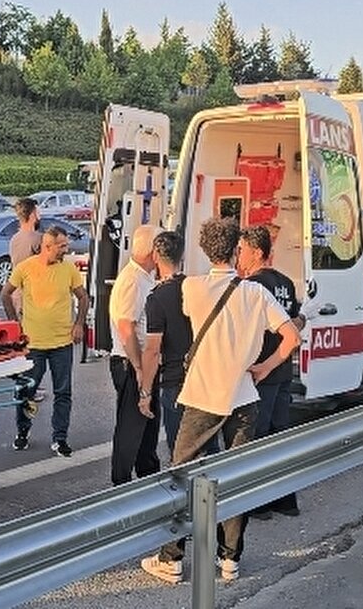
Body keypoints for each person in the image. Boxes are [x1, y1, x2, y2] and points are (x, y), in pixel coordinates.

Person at [140, 218, 300, 584]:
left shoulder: (192, 289)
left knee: (180, 475)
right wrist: (264, 366)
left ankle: (172, 557)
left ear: (204, 250)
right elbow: (291, 336)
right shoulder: (256, 294)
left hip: (201, 396)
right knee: (236, 477)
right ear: (236, 251)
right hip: (243, 395)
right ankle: (230, 560)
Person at [1, 226, 89, 458]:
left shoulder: (68, 268)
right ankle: (22, 431)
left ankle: (60, 438)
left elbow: (83, 297)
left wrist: (79, 323)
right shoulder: (25, 268)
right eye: (62, 246)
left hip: (62, 343)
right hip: (33, 344)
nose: (66, 249)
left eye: (66, 245)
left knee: (63, 393)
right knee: (26, 390)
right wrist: (14, 324)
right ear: (47, 246)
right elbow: (5, 293)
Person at [237, 225, 305, 519]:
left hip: (261, 370)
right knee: (281, 434)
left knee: (259, 435)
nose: (238, 256)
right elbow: (294, 323)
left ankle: (260, 503)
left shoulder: (252, 287)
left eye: (241, 250)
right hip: (282, 369)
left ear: (257, 252)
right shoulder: (286, 283)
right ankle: (286, 500)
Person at [139, 231, 205, 455]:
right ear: (182, 256)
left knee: (180, 451)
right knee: (206, 445)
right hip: (203, 377)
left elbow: (152, 350)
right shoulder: (197, 288)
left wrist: (145, 393)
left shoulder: (157, 297)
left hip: (175, 380)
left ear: (156, 255)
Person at [108, 224, 160, 485]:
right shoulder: (132, 280)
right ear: (153, 251)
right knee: (131, 426)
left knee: (147, 424)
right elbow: (125, 326)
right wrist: (140, 368)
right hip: (130, 362)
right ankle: (122, 482)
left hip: (140, 362)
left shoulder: (144, 277)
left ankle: (147, 474)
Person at [9, 198, 45, 402]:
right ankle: (30, 387)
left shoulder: (15, 238)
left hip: (17, 294)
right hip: (32, 295)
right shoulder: (37, 239)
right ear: (32, 214)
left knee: (22, 342)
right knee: (34, 345)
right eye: (37, 211)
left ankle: (23, 384)